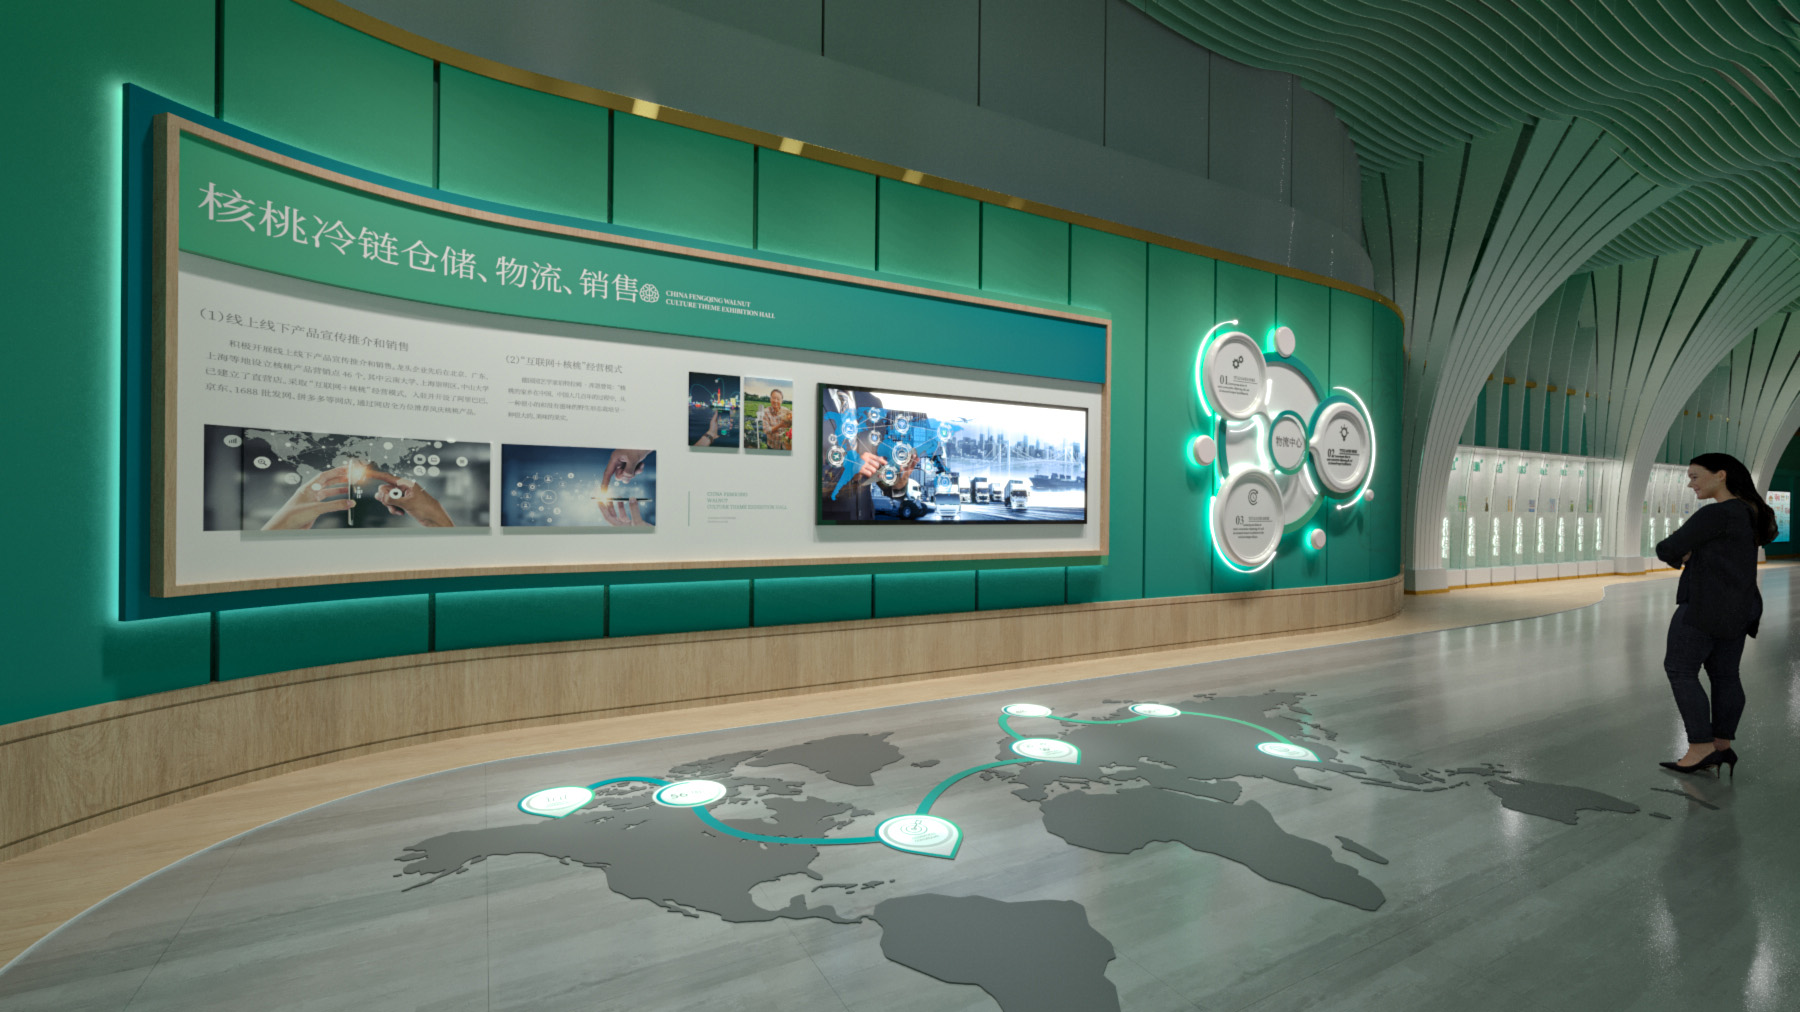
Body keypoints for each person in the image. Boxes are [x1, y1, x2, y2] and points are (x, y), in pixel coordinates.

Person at [1653, 452, 1776, 777]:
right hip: (1741, 605)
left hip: (1704, 604)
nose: (1690, 484)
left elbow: (1667, 548)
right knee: (1725, 675)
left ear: (1721, 475)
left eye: (1695, 476)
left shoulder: (1716, 513)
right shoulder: (1751, 512)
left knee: (1680, 669)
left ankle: (1700, 747)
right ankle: (1722, 744)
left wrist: (1686, 554)